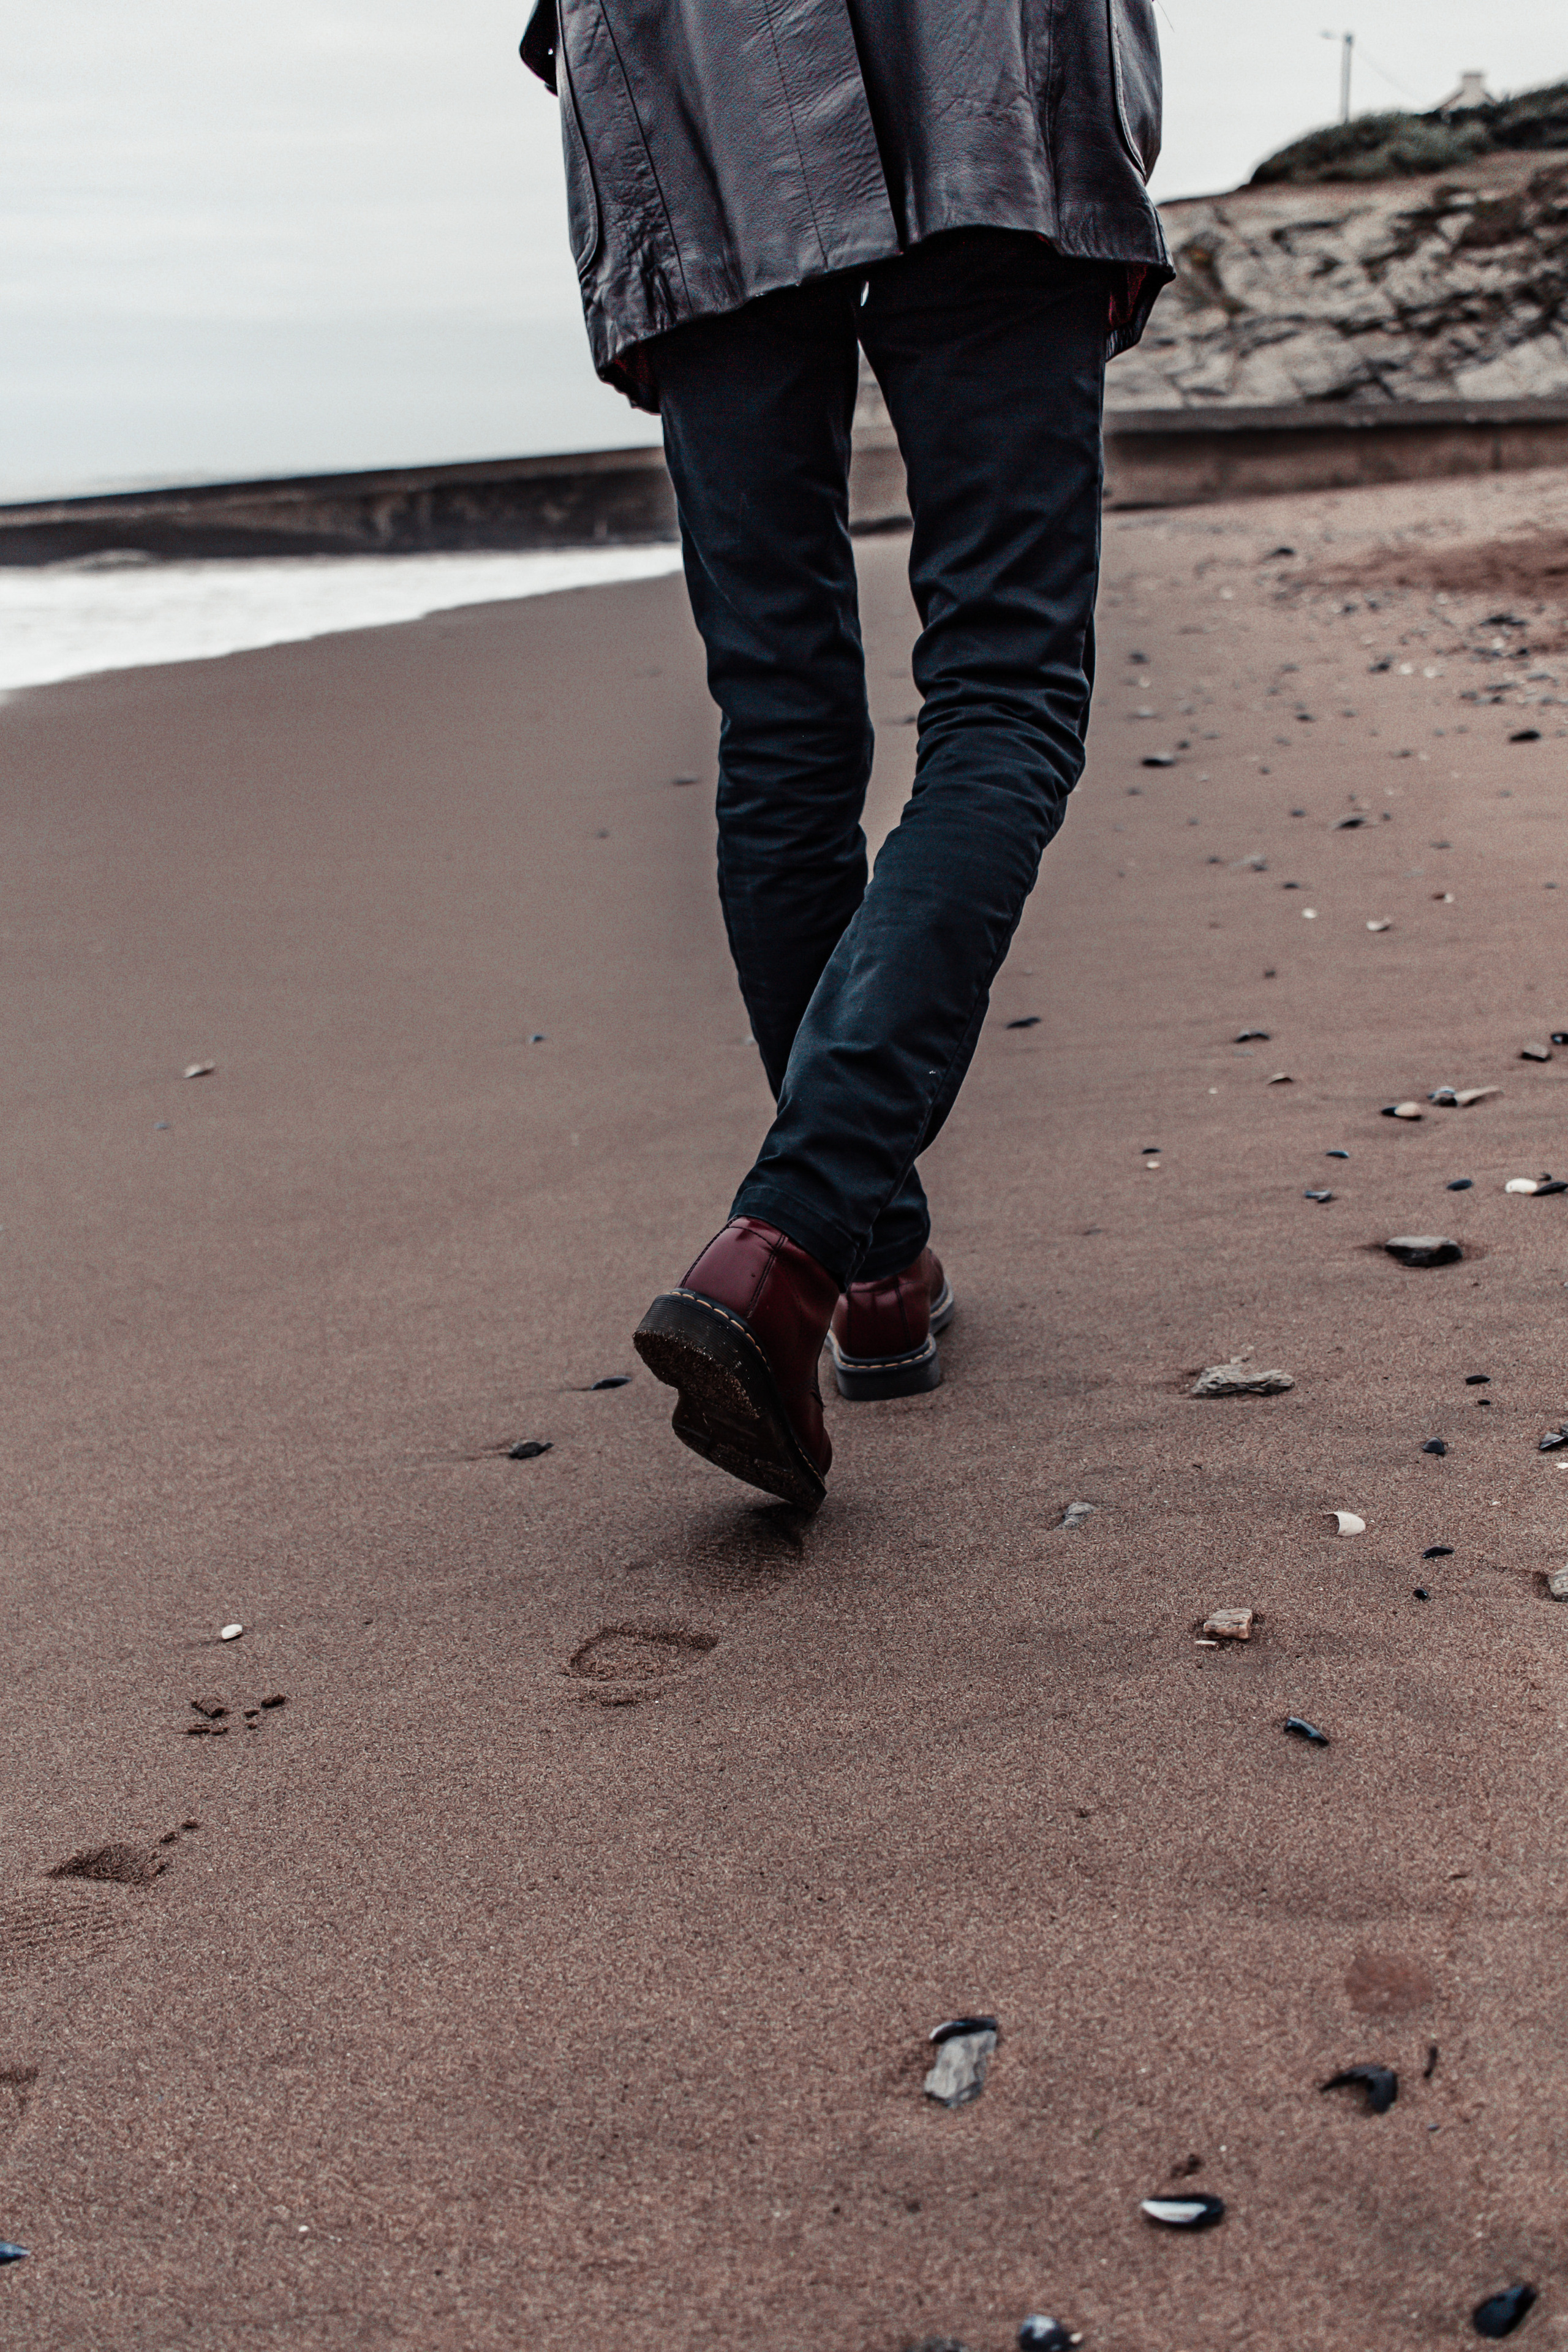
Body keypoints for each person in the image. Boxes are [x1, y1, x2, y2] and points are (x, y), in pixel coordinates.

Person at [522, 0, 1170, 1510]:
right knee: (1004, 690)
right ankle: (802, 1243)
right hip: (984, 66)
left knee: (784, 727)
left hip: (692, 84)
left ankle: (868, 1271)